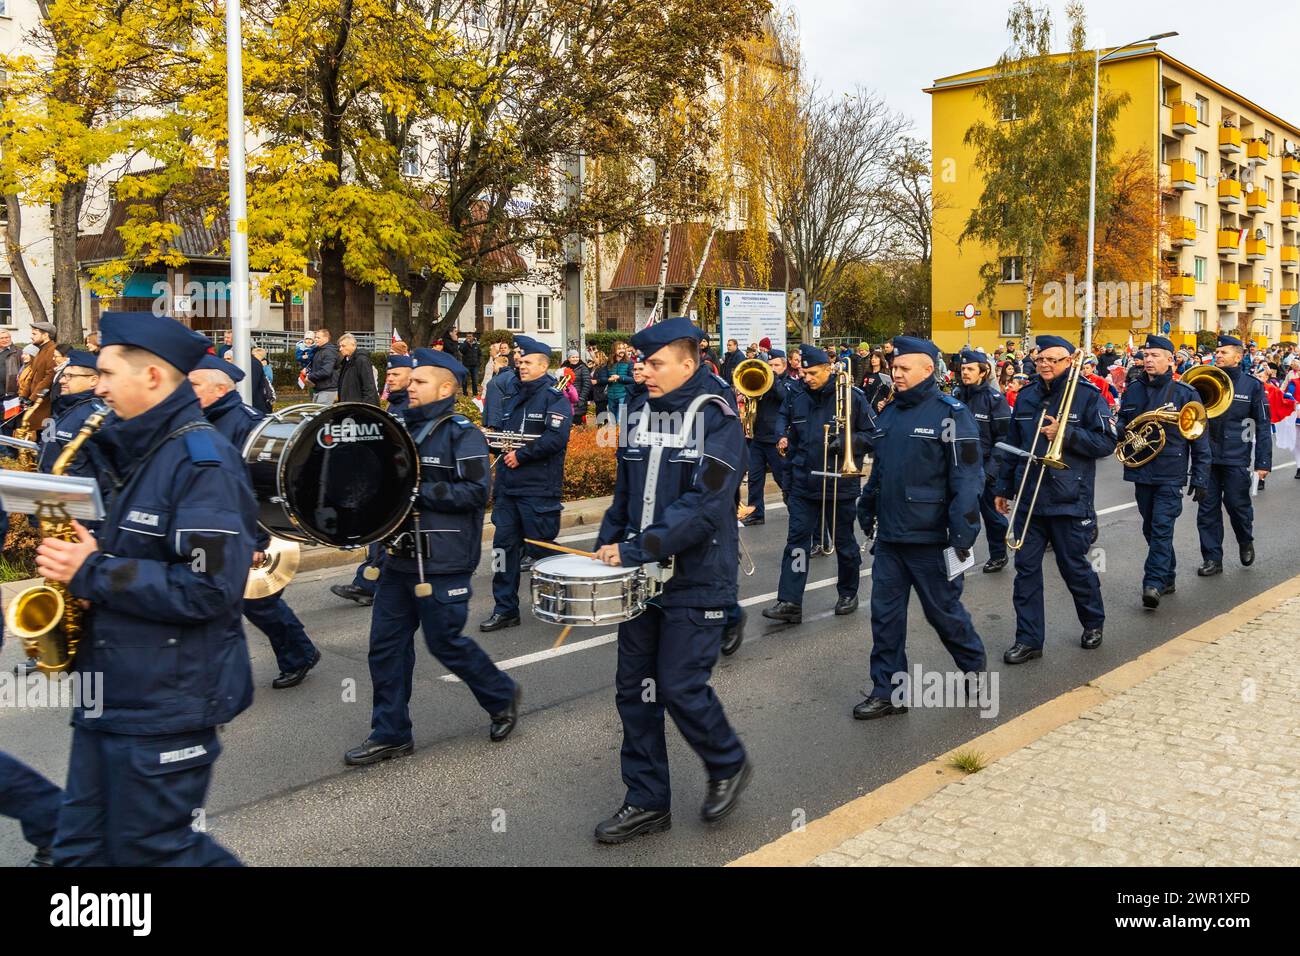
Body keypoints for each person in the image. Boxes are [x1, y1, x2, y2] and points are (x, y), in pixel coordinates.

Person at [37, 310, 256, 865]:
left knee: (156, 852)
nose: (97, 385)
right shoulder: (137, 452)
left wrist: (92, 571)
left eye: (107, 373)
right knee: (79, 852)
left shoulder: (205, 465)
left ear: (153, 377)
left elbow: (209, 587)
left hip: (166, 703)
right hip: (109, 696)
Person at [591, 316, 750, 843]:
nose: (644, 370)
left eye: (655, 363)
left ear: (690, 362)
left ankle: (727, 761)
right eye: (642, 361)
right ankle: (646, 800)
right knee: (635, 691)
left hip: (697, 577)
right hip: (641, 579)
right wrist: (606, 545)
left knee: (680, 684)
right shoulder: (637, 411)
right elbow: (625, 493)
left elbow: (704, 506)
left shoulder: (719, 418)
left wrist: (637, 548)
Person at [345, 348, 519, 767]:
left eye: (420, 381)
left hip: (442, 560)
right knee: (385, 647)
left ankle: (500, 695)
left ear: (445, 387)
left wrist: (419, 493)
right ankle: (390, 732)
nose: (410, 385)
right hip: (397, 559)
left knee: (445, 642)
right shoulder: (399, 425)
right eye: (412, 379)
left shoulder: (463, 433)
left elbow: (478, 493)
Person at [853, 336, 986, 720]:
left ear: (928, 369)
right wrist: (867, 505)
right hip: (892, 540)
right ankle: (888, 692)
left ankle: (974, 669)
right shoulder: (891, 413)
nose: (895, 373)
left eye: (903, 368)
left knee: (943, 614)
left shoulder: (951, 413)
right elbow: (881, 470)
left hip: (932, 539)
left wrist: (963, 535)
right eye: (893, 368)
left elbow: (967, 478)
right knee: (885, 618)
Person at [190, 354, 323, 688]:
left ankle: (298, 653)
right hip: (210, 527)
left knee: (257, 603)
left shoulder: (245, 423)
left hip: (238, 531)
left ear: (220, 388)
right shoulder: (202, 418)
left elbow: (252, 489)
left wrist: (254, 543)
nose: (185, 390)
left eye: (193, 384)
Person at [995, 336, 1116, 664]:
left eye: (1053, 359)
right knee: (1026, 570)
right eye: (1041, 359)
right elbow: (1013, 443)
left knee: (1074, 567)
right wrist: (1003, 487)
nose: (1045, 364)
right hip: (1030, 498)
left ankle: (1093, 622)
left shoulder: (1088, 396)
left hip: (1069, 499)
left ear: (1068, 361)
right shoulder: (1026, 396)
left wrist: (1067, 433)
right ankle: (1029, 639)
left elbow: (1107, 442)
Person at [763, 343, 872, 624]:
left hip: (840, 481)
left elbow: (875, 435)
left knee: (844, 543)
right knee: (797, 543)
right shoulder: (797, 396)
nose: (806, 378)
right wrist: (786, 472)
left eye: (812, 373)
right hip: (804, 480)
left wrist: (849, 442)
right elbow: (792, 435)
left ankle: (848, 592)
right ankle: (790, 600)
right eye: (803, 373)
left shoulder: (852, 396)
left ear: (828, 369)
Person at [479, 335, 572, 632]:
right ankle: (505, 609)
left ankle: (573, 583)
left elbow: (556, 439)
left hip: (537, 488)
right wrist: (489, 441)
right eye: (521, 361)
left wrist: (522, 455)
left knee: (541, 549)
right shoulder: (511, 395)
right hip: (509, 489)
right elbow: (507, 439)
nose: (521, 365)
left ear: (544, 366)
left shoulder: (554, 398)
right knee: (502, 552)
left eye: (528, 362)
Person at [1116, 335, 1210, 610]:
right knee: (1149, 527)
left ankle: (1153, 583)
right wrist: (1121, 427)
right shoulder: (1133, 390)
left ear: (1171, 360)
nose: (1148, 360)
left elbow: (1200, 440)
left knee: (1161, 528)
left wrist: (1200, 477)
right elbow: (1124, 420)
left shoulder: (1185, 394)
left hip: (1171, 472)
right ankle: (1167, 574)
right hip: (1141, 470)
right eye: (1146, 355)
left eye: (1155, 355)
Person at [331, 354, 415, 608]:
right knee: (382, 538)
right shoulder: (395, 405)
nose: (389, 379)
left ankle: (369, 585)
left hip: (402, 487)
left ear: (410, 375)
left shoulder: (411, 406)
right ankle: (370, 583)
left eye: (395, 375)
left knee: (386, 539)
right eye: (388, 375)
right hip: (389, 484)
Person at [1196, 335, 1271, 576]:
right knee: (1207, 510)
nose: (1218, 355)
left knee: (1238, 506)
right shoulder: (1203, 381)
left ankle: (1245, 540)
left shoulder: (1252, 386)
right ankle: (1212, 559)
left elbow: (1262, 425)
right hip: (1207, 458)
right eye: (1217, 352)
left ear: (1238, 357)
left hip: (1236, 458)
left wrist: (1262, 462)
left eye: (1224, 352)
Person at [952, 348, 1011, 573]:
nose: (965, 373)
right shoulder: (956, 397)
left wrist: (990, 471)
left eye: (970, 369)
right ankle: (958, 560)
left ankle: (999, 554)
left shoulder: (994, 400)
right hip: (958, 467)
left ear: (983, 372)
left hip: (986, 468)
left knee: (992, 516)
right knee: (959, 515)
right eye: (963, 368)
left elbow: (1004, 439)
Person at [740, 349, 793, 526]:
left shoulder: (788, 383)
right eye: (769, 365)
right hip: (757, 437)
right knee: (755, 478)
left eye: (776, 365)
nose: (771, 368)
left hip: (775, 439)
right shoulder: (763, 381)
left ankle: (796, 508)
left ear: (784, 366)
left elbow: (785, 398)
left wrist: (773, 379)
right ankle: (756, 513)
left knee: (781, 478)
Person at [36, 350, 104, 474]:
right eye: (63, 375)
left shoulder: (94, 415)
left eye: (70, 376)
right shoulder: (65, 406)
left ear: (93, 381)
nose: (62, 381)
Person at [20, 320, 58, 433]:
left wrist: (33, 398)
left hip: (43, 404)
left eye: (34, 334)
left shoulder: (52, 350)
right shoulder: (41, 350)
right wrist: (24, 395)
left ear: (46, 335)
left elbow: (49, 377)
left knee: (42, 439)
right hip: (36, 402)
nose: (31, 337)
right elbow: (32, 375)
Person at [337, 333, 379, 404]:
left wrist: (364, 408)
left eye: (343, 346)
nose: (340, 349)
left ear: (353, 345)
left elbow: (368, 386)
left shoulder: (362, 360)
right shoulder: (346, 361)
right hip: (349, 405)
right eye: (340, 346)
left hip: (359, 408)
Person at [307, 328, 341, 402]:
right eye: (315, 337)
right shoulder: (319, 350)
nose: (315, 339)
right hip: (319, 389)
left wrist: (310, 377)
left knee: (323, 413)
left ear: (326, 338)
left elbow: (326, 371)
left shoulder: (329, 352)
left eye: (318, 337)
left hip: (327, 391)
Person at [563, 349, 592, 425]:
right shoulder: (563, 368)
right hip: (567, 399)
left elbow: (587, 384)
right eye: (573, 357)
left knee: (577, 423)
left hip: (578, 399)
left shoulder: (583, 368)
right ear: (569, 358)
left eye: (577, 357)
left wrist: (582, 398)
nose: (575, 359)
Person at [460, 332, 482, 397]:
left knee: (475, 380)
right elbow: (462, 350)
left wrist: (479, 362)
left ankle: (475, 393)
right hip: (466, 365)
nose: (468, 337)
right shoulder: (464, 344)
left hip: (475, 365)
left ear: (473, 337)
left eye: (470, 336)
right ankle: (465, 393)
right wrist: (467, 343)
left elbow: (480, 354)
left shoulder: (477, 345)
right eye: (467, 336)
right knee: (465, 380)